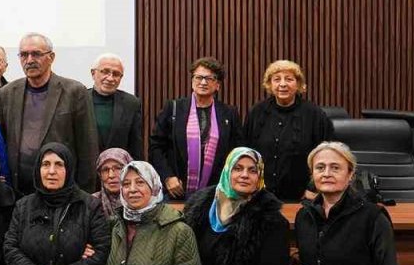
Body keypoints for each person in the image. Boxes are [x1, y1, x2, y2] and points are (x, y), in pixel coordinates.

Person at [1, 33, 100, 194]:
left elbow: (87, 147)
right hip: (19, 192)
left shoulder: (74, 91)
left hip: (61, 191)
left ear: (51, 57)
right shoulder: (7, 93)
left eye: (36, 54)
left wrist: (84, 195)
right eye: (24, 55)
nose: (30, 60)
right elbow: (4, 139)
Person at [149, 57, 242, 200]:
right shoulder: (174, 108)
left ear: (217, 85)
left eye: (209, 78)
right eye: (199, 77)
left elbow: (236, 152)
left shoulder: (229, 113)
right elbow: (156, 146)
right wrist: (167, 177)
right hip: (176, 189)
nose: (203, 82)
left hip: (217, 192)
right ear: (192, 81)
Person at [242, 60, 334, 201]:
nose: (283, 84)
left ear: (298, 85)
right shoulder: (257, 112)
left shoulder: (314, 115)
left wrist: (313, 189)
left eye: (289, 79)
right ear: (269, 84)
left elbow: (328, 155)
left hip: (301, 198)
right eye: (277, 79)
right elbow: (244, 152)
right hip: (259, 196)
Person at [89, 53, 143, 160]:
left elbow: (135, 145)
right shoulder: (79, 100)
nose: (110, 78)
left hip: (118, 171)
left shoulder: (131, 103)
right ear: (93, 73)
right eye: (105, 72)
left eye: (116, 74)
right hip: (85, 171)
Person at [91, 148, 134, 221]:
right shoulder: (91, 204)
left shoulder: (140, 200)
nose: (111, 175)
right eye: (105, 170)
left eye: (118, 168)